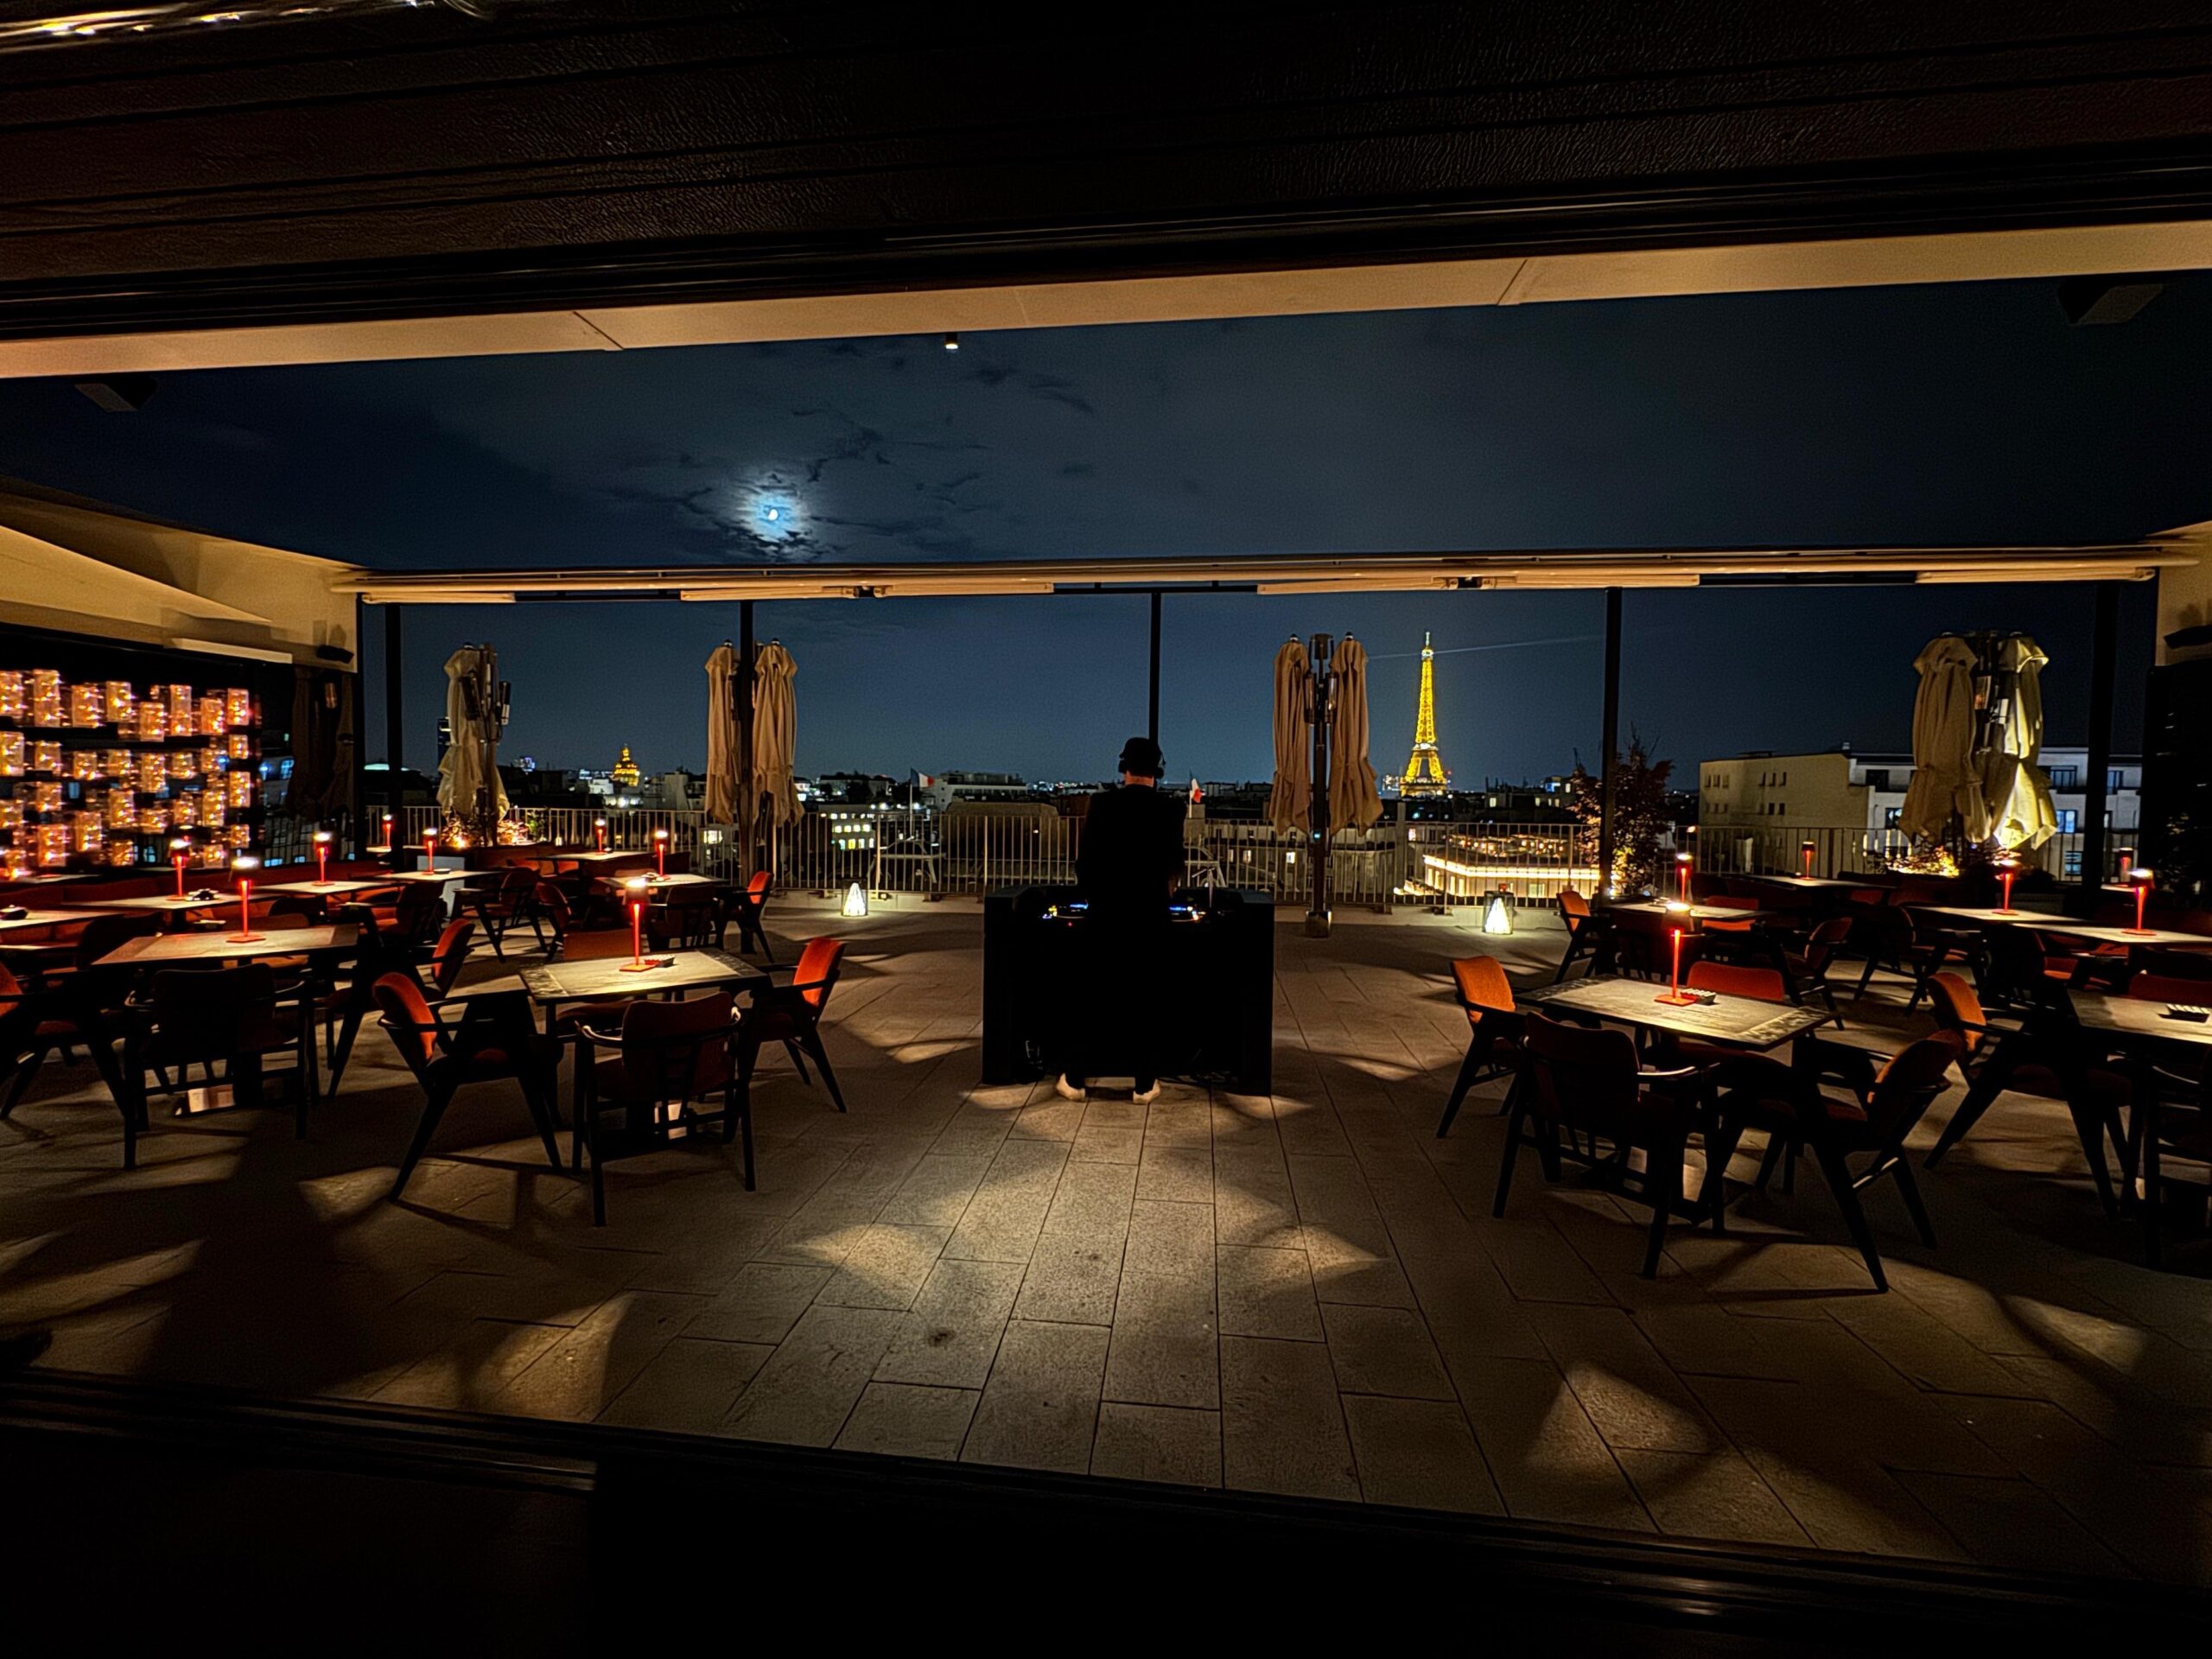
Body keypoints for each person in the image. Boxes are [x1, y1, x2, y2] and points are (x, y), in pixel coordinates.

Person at [1058, 735, 1185, 1103]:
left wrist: (1095, 896)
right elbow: (1173, 864)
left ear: (1123, 767)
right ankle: (1144, 1084)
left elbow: (1085, 863)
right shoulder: (1171, 809)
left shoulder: (1102, 804)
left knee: (1095, 999)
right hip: (1150, 917)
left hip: (1106, 916)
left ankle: (1075, 1079)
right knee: (1146, 1000)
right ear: (1157, 771)